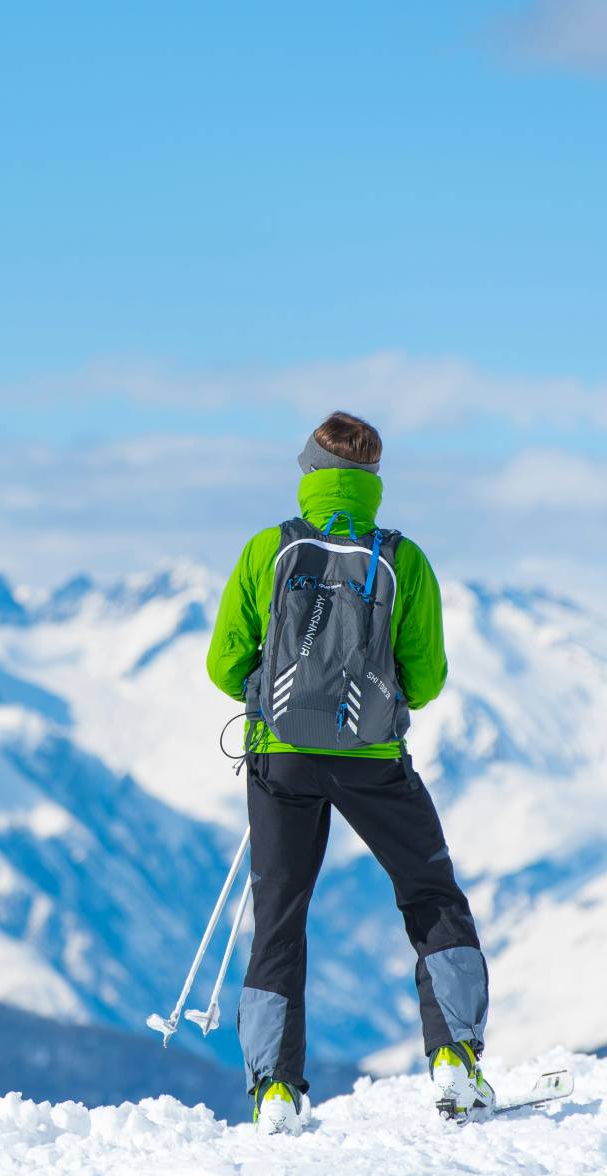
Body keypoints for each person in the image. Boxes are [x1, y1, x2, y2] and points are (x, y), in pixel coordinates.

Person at [205, 411, 491, 1136]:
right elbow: (426, 678)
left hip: (281, 757)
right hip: (373, 761)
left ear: (308, 471)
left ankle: (275, 1089)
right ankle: (455, 1056)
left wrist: (271, 697)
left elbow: (222, 663)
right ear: (374, 480)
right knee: (429, 894)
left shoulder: (268, 551)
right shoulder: (403, 558)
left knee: (280, 915)